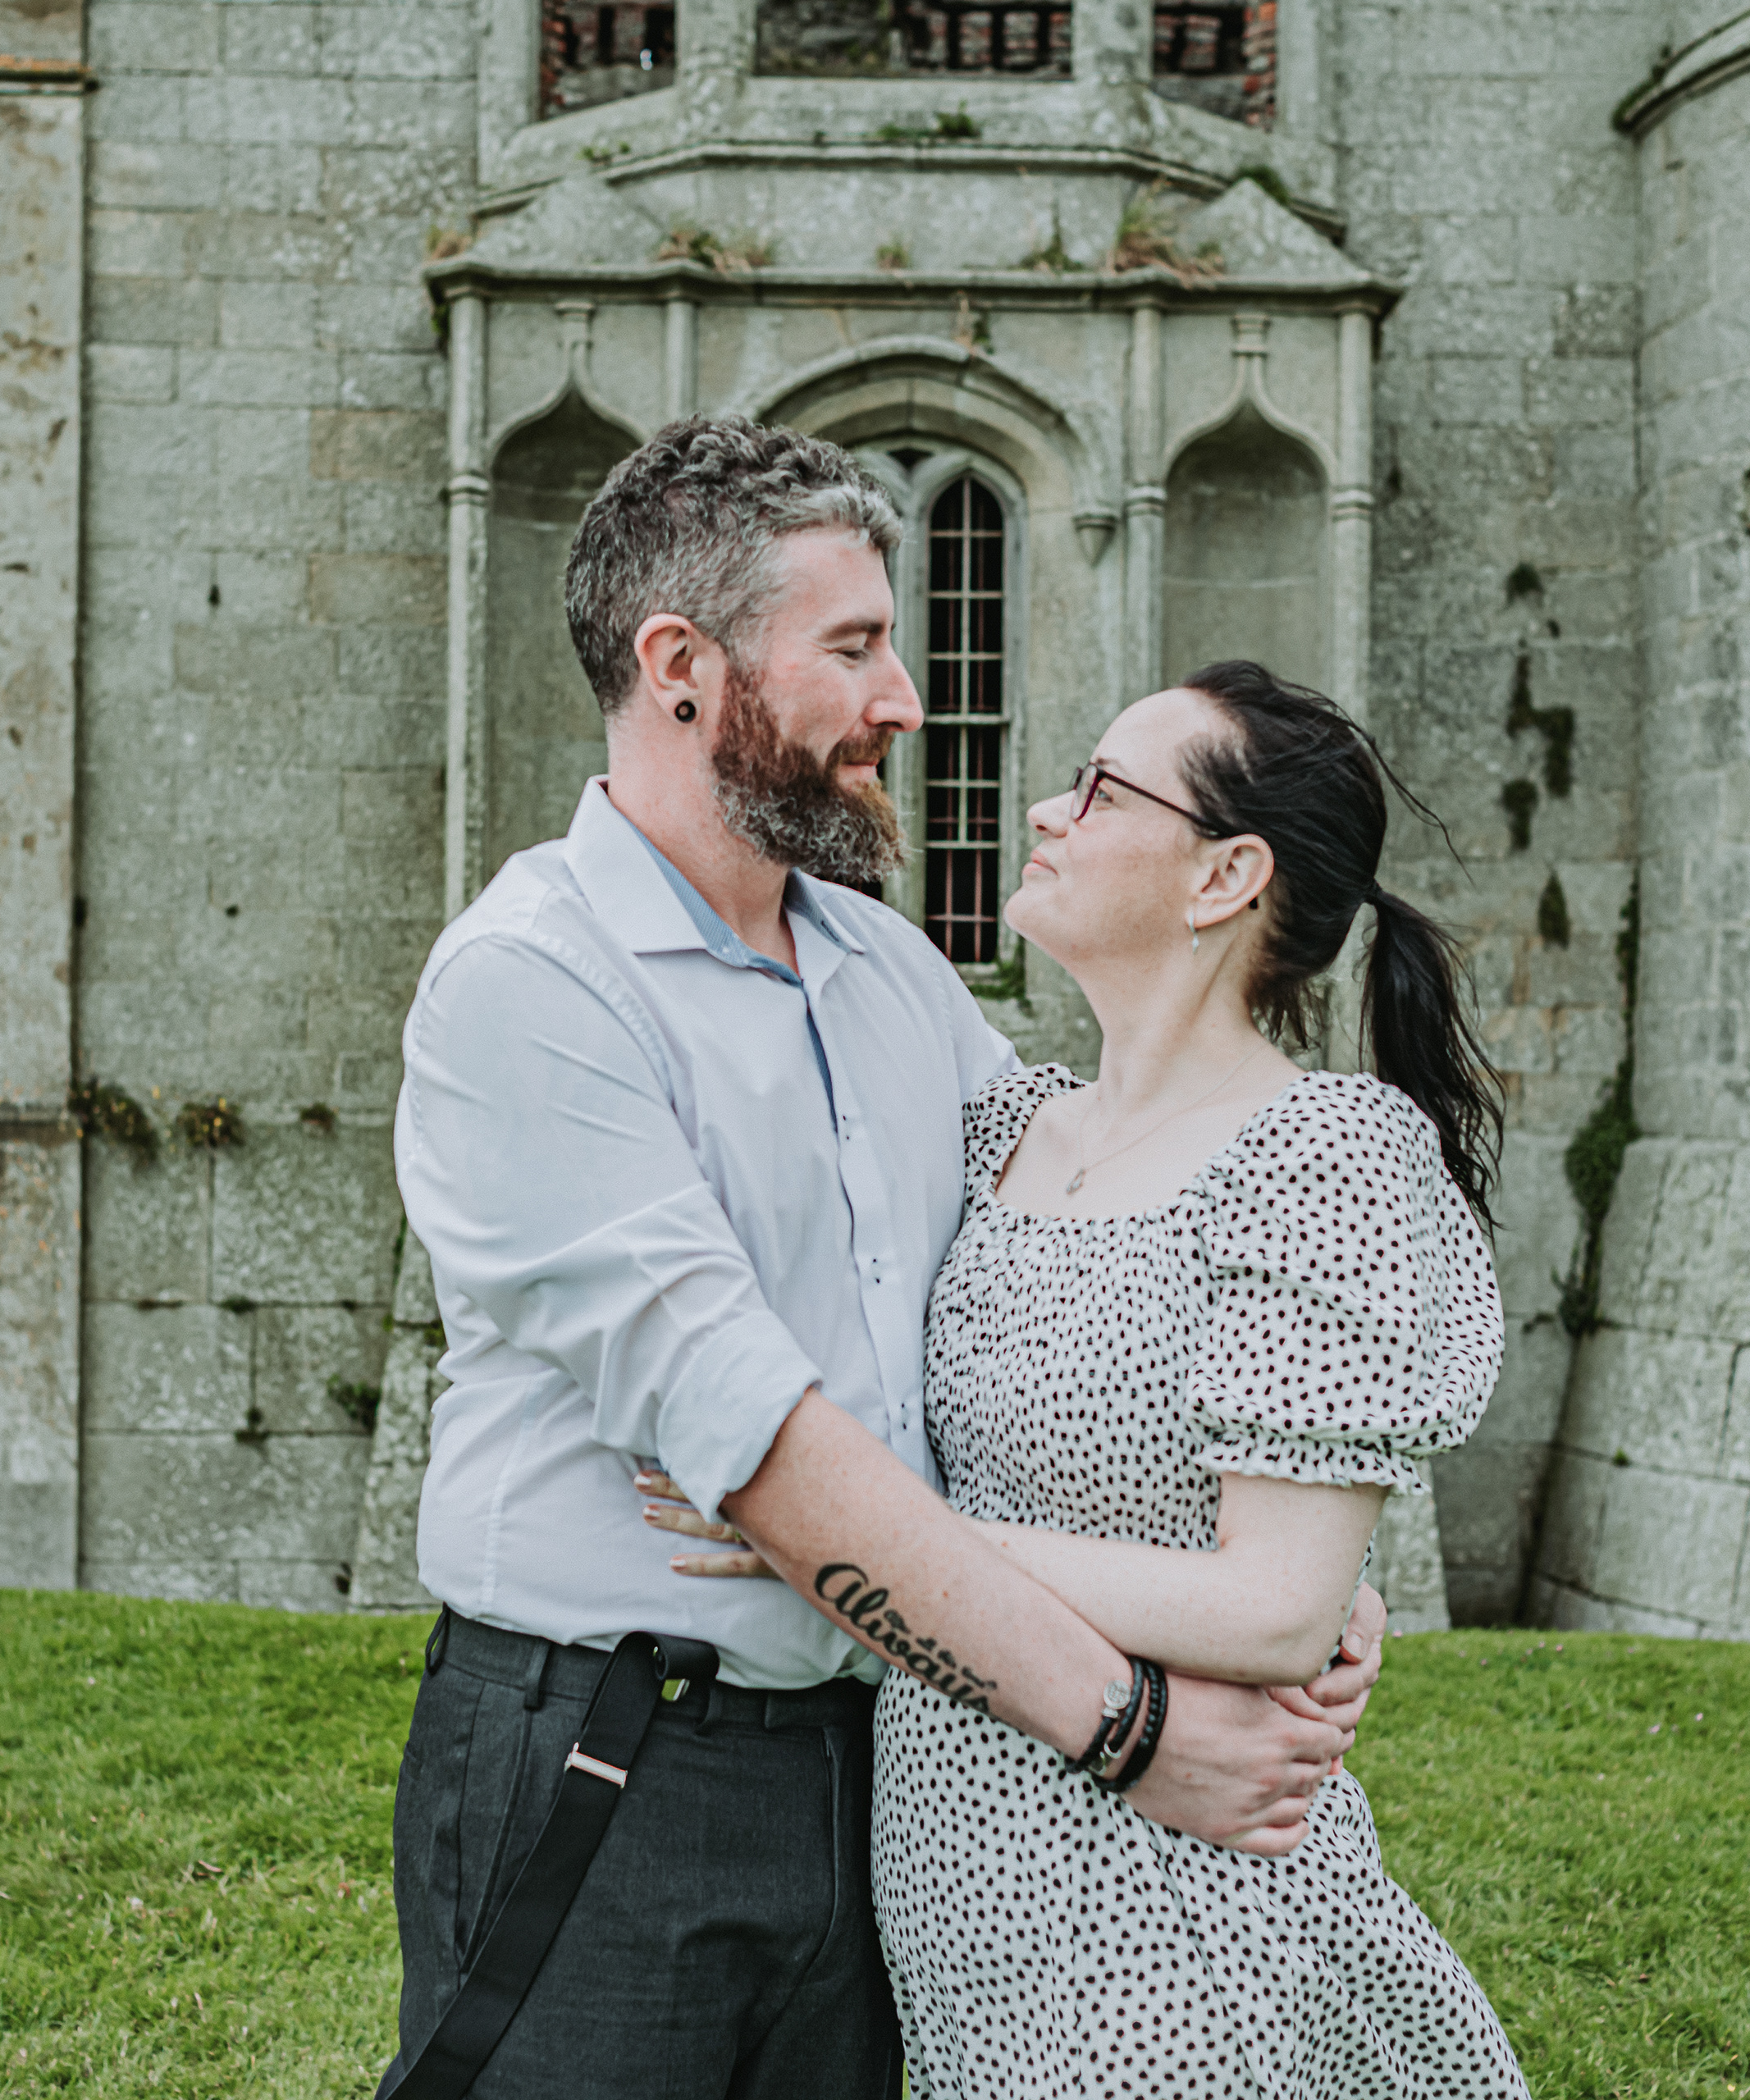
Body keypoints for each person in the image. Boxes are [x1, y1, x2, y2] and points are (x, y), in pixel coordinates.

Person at [384, 420, 1384, 2100]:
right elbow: (768, 1453)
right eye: (852, 648)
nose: (905, 700)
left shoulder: (889, 969)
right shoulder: (532, 984)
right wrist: (1132, 1726)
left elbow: (1085, 1268)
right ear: (683, 670)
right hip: (608, 1762)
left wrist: (1287, 1569)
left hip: (884, 1769)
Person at [654, 661, 1528, 2096]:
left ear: (1225, 876)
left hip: (1182, 1899)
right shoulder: (1003, 1123)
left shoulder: (1322, 1156)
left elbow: (1278, 1605)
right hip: (951, 1884)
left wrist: (859, 1536)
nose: (1049, 812)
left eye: (1106, 791)